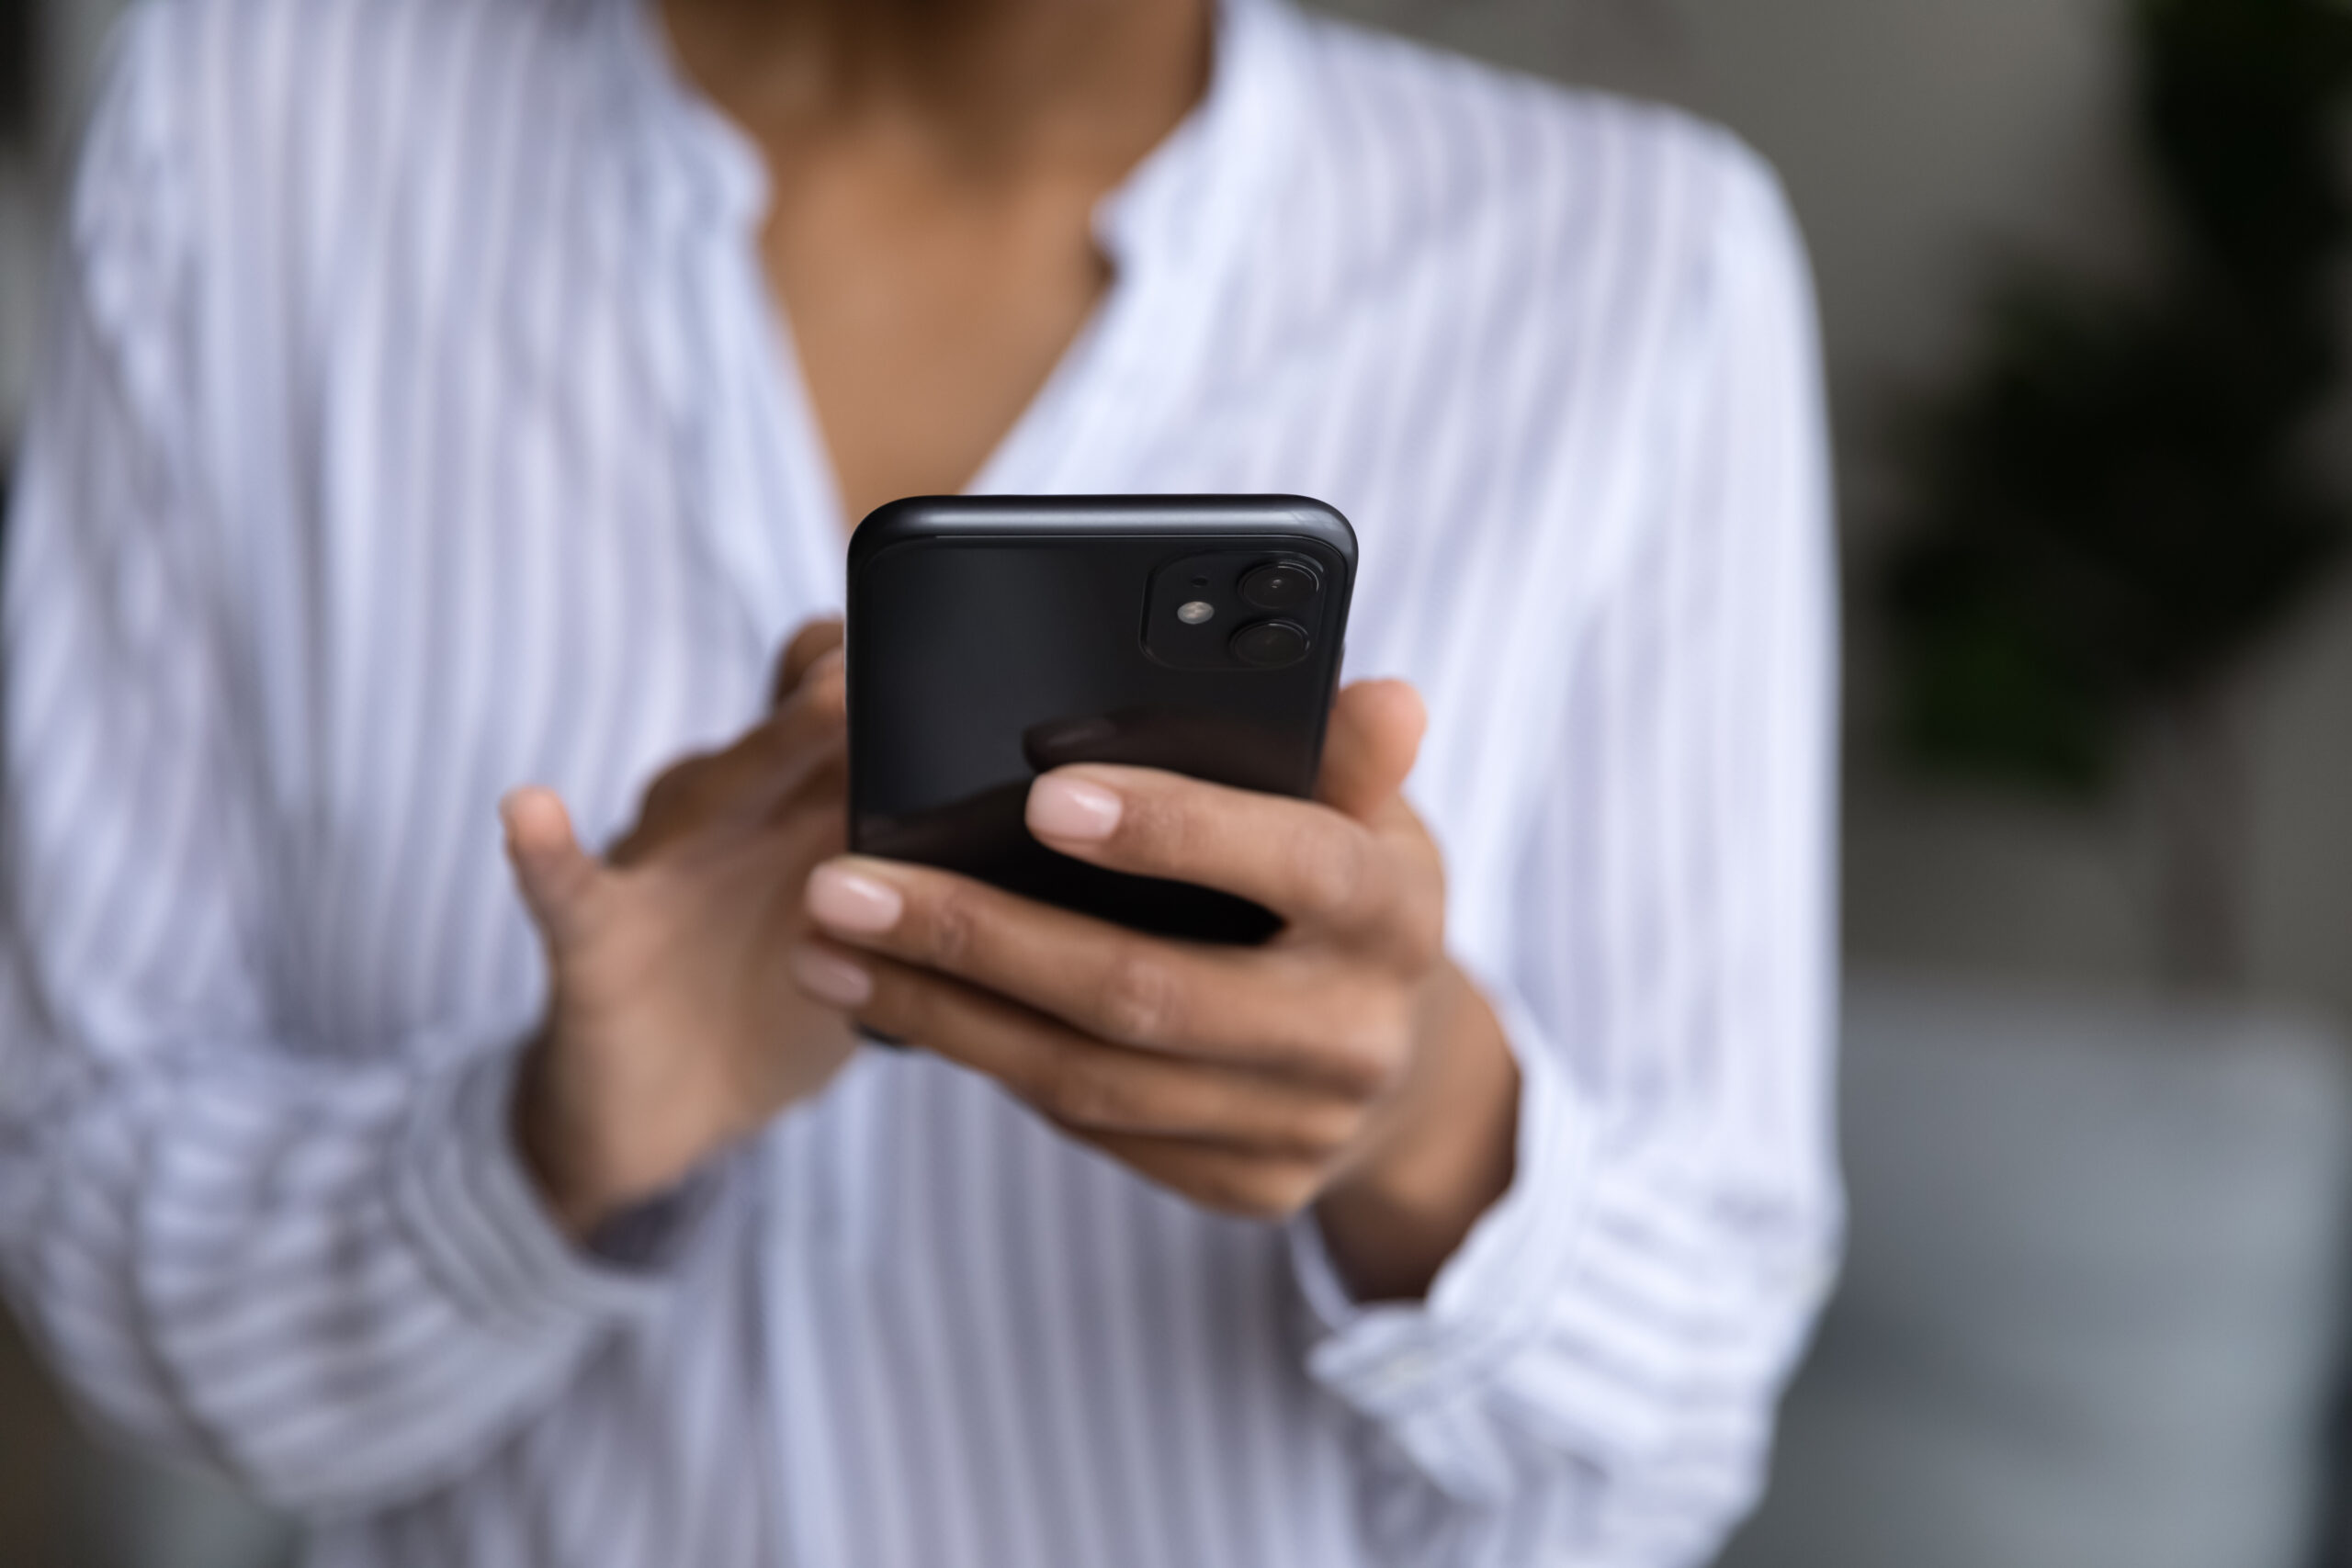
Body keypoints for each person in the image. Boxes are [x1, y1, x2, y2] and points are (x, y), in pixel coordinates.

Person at [0, 0, 1838, 1562]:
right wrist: (541, 1150)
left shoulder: (1637, 265)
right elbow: (90, 1248)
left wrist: (1420, 1125)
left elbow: (1677, 1413)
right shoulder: (247, 139)